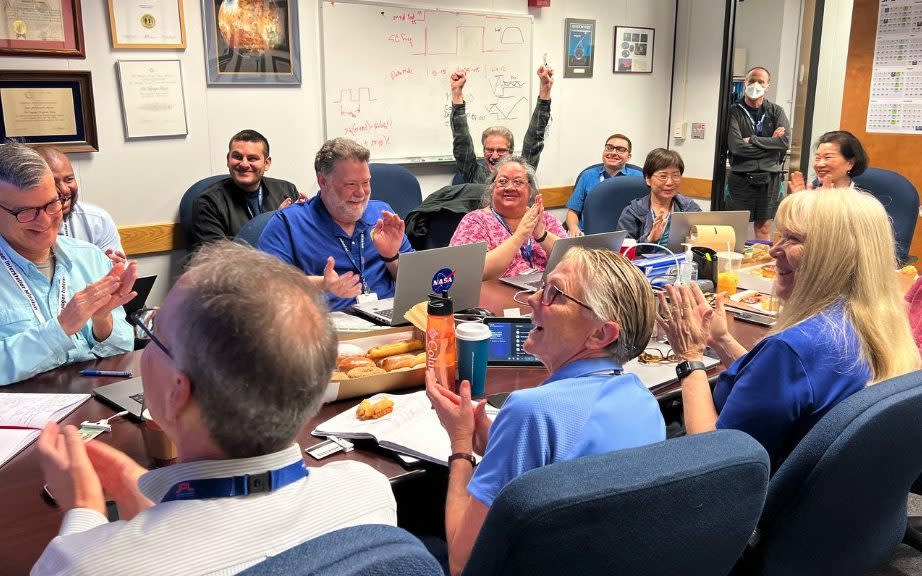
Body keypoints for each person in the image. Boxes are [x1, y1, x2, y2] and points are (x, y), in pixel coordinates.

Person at [32, 242, 397, 575]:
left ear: (178, 392)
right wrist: (135, 493)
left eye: (154, 330)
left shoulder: (85, 564)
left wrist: (82, 511)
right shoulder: (368, 492)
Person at [427, 247, 666, 575]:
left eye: (555, 294)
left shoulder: (531, 411)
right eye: (543, 285)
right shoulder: (643, 400)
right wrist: (492, 442)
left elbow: (462, 563)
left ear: (600, 333)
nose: (533, 298)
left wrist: (461, 446)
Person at [657, 187, 920, 471]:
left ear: (832, 256)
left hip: (755, 504)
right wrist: (721, 340)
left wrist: (689, 357)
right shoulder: (875, 324)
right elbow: (780, 387)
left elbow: (713, 462)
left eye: (792, 239)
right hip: (845, 507)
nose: (773, 250)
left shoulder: (791, 350)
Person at [0, 140, 135, 386]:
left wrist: (102, 320)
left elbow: (123, 347)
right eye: (25, 212)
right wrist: (60, 329)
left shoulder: (89, 257)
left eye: (52, 204)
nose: (44, 222)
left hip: (93, 397)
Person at [259, 138, 413, 311]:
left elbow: (414, 286)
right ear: (323, 182)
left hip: (390, 325)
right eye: (351, 184)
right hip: (326, 328)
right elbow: (268, 287)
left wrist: (391, 257)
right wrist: (323, 284)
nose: (361, 193)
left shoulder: (382, 214)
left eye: (366, 182)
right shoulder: (288, 223)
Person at [449, 156, 566, 280]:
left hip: (547, 293)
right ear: (492, 189)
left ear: (530, 190)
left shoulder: (545, 219)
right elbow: (470, 272)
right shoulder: (475, 222)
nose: (510, 187)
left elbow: (575, 261)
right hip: (498, 296)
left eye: (518, 182)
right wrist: (519, 236)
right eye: (503, 181)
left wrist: (542, 235)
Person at [189, 129, 304, 250]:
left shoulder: (286, 191)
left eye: (252, 158)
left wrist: (310, 214)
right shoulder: (208, 203)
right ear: (228, 159)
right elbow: (220, 261)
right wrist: (275, 223)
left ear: (267, 163)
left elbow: (301, 243)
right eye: (237, 157)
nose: (244, 164)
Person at [449, 66, 554, 184]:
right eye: (489, 150)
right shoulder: (475, 174)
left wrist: (545, 90)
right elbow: (462, 140)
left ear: (511, 152)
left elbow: (534, 140)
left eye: (501, 151)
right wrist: (456, 92)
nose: (494, 156)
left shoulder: (521, 173)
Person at [726, 66, 790, 240]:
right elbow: (737, 147)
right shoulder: (733, 111)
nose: (755, 85)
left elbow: (784, 142)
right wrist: (771, 144)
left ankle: (759, 264)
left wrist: (752, 140)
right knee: (735, 229)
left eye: (761, 81)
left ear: (768, 86)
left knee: (763, 228)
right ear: (745, 83)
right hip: (741, 177)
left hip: (770, 178)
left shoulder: (776, 112)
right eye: (751, 81)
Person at [34, 147, 125, 264]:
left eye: (69, 179)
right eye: (53, 182)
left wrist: (116, 268)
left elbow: (115, 270)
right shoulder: (24, 225)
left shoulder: (97, 220)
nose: (64, 189)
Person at [617, 148, 701, 246]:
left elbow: (702, 240)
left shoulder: (689, 208)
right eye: (663, 176)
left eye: (675, 176)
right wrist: (649, 239)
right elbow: (623, 251)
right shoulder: (633, 212)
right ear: (648, 179)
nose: (670, 182)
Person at [565, 133, 643, 236]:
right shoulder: (587, 176)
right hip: (590, 236)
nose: (613, 152)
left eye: (620, 149)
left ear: (628, 157)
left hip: (627, 237)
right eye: (609, 148)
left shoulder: (639, 178)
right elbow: (573, 211)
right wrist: (573, 227)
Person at [789, 130, 868, 192]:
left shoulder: (862, 200)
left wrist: (826, 205)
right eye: (818, 158)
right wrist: (799, 202)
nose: (820, 164)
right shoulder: (811, 194)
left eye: (828, 157)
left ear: (850, 163)